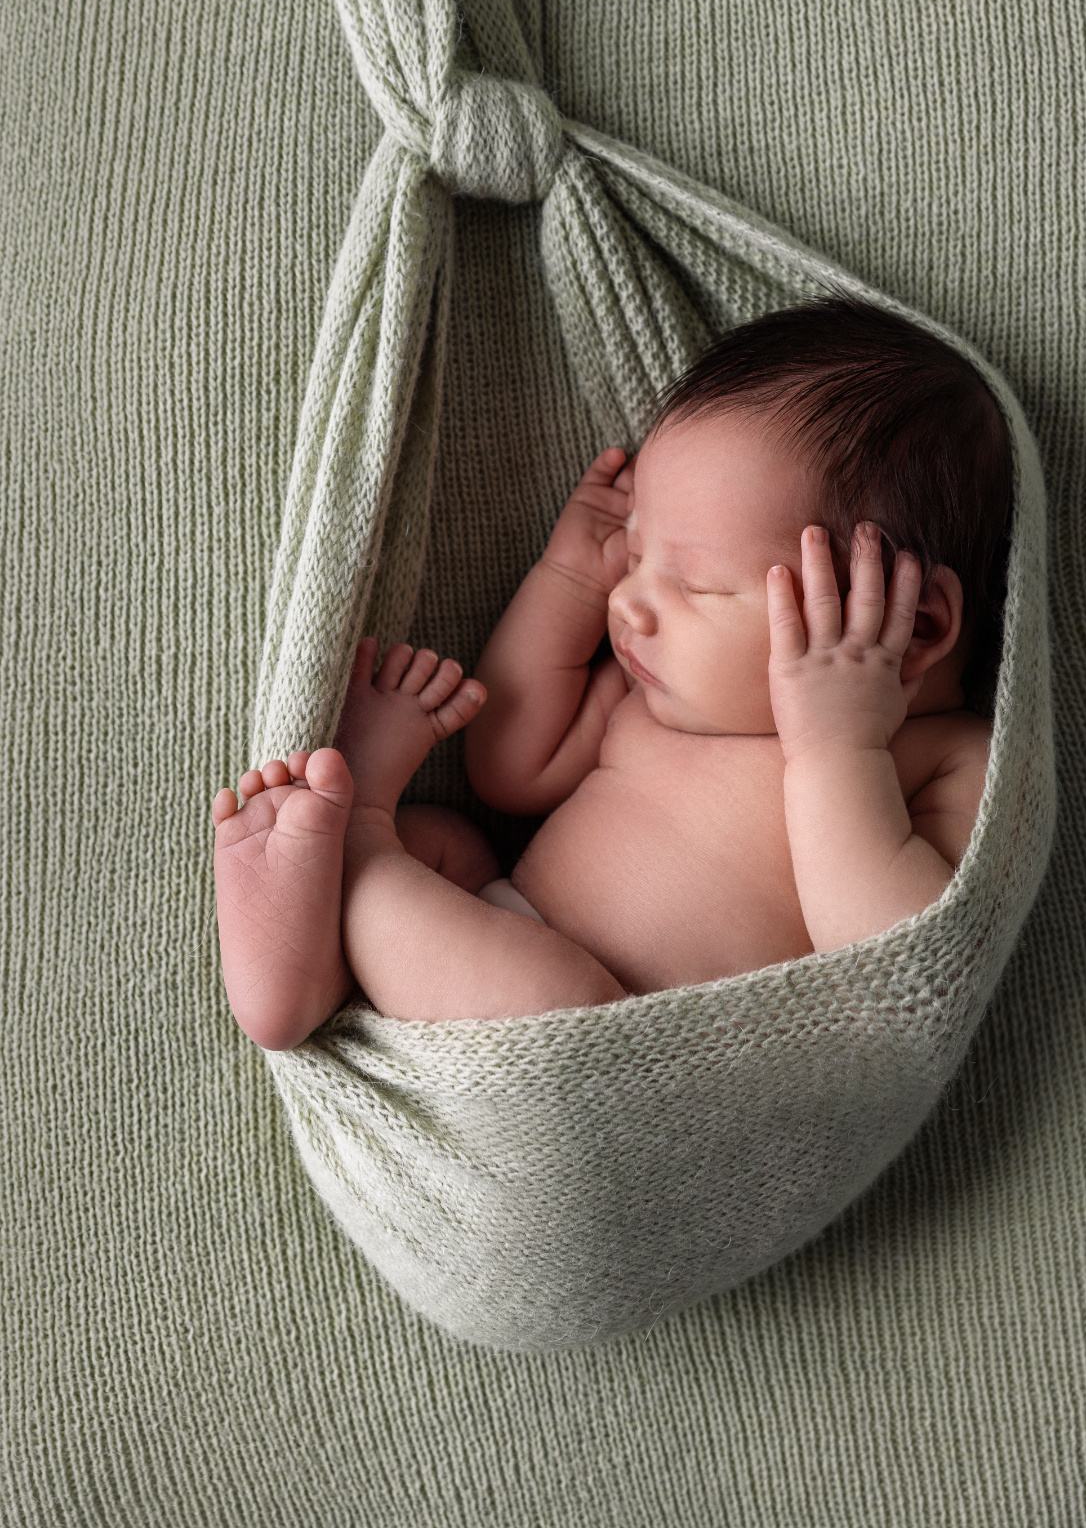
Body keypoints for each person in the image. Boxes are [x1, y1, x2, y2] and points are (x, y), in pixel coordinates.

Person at [212, 294, 1012, 1047]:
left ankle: (361, 846)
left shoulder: (947, 760)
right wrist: (568, 580)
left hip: (618, 1053)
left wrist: (842, 750)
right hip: (489, 948)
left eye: (695, 582)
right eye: (633, 554)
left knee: (556, 997)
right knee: (446, 845)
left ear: (917, 626)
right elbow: (508, 767)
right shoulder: (651, 700)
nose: (628, 601)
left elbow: (901, 977)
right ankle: (296, 990)